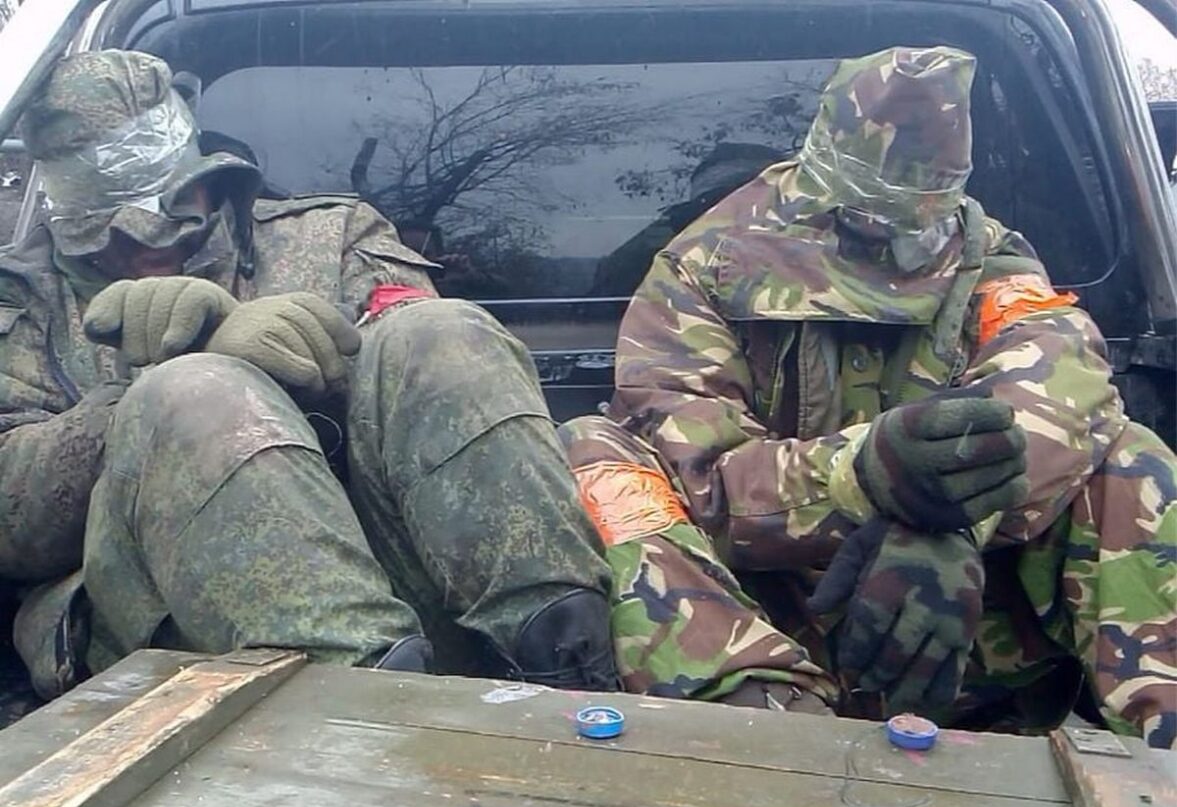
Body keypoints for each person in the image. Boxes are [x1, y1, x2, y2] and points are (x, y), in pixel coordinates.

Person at [562, 45, 1177, 746]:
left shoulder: (991, 261)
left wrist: (948, 520)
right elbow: (697, 475)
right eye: (867, 222)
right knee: (596, 456)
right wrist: (861, 474)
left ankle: (1160, 766)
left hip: (962, 631)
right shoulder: (706, 267)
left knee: (1130, 458)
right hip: (761, 620)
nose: (890, 244)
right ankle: (768, 747)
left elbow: (1059, 389)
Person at [0, 50, 620, 703]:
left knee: (441, 332)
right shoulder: (25, 303)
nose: (144, 244)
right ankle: (368, 720)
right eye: (113, 231)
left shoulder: (332, 235)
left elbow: (432, 371)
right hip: (166, 628)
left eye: (171, 207)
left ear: (205, 176)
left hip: (410, 582)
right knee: (194, 392)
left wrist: (307, 365)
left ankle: (567, 676)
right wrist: (144, 399)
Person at [591, 143, 785, 298]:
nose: (734, 215)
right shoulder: (663, 243)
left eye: (754, 203)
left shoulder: (809, 240)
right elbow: (601, 302)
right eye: (715, 204)